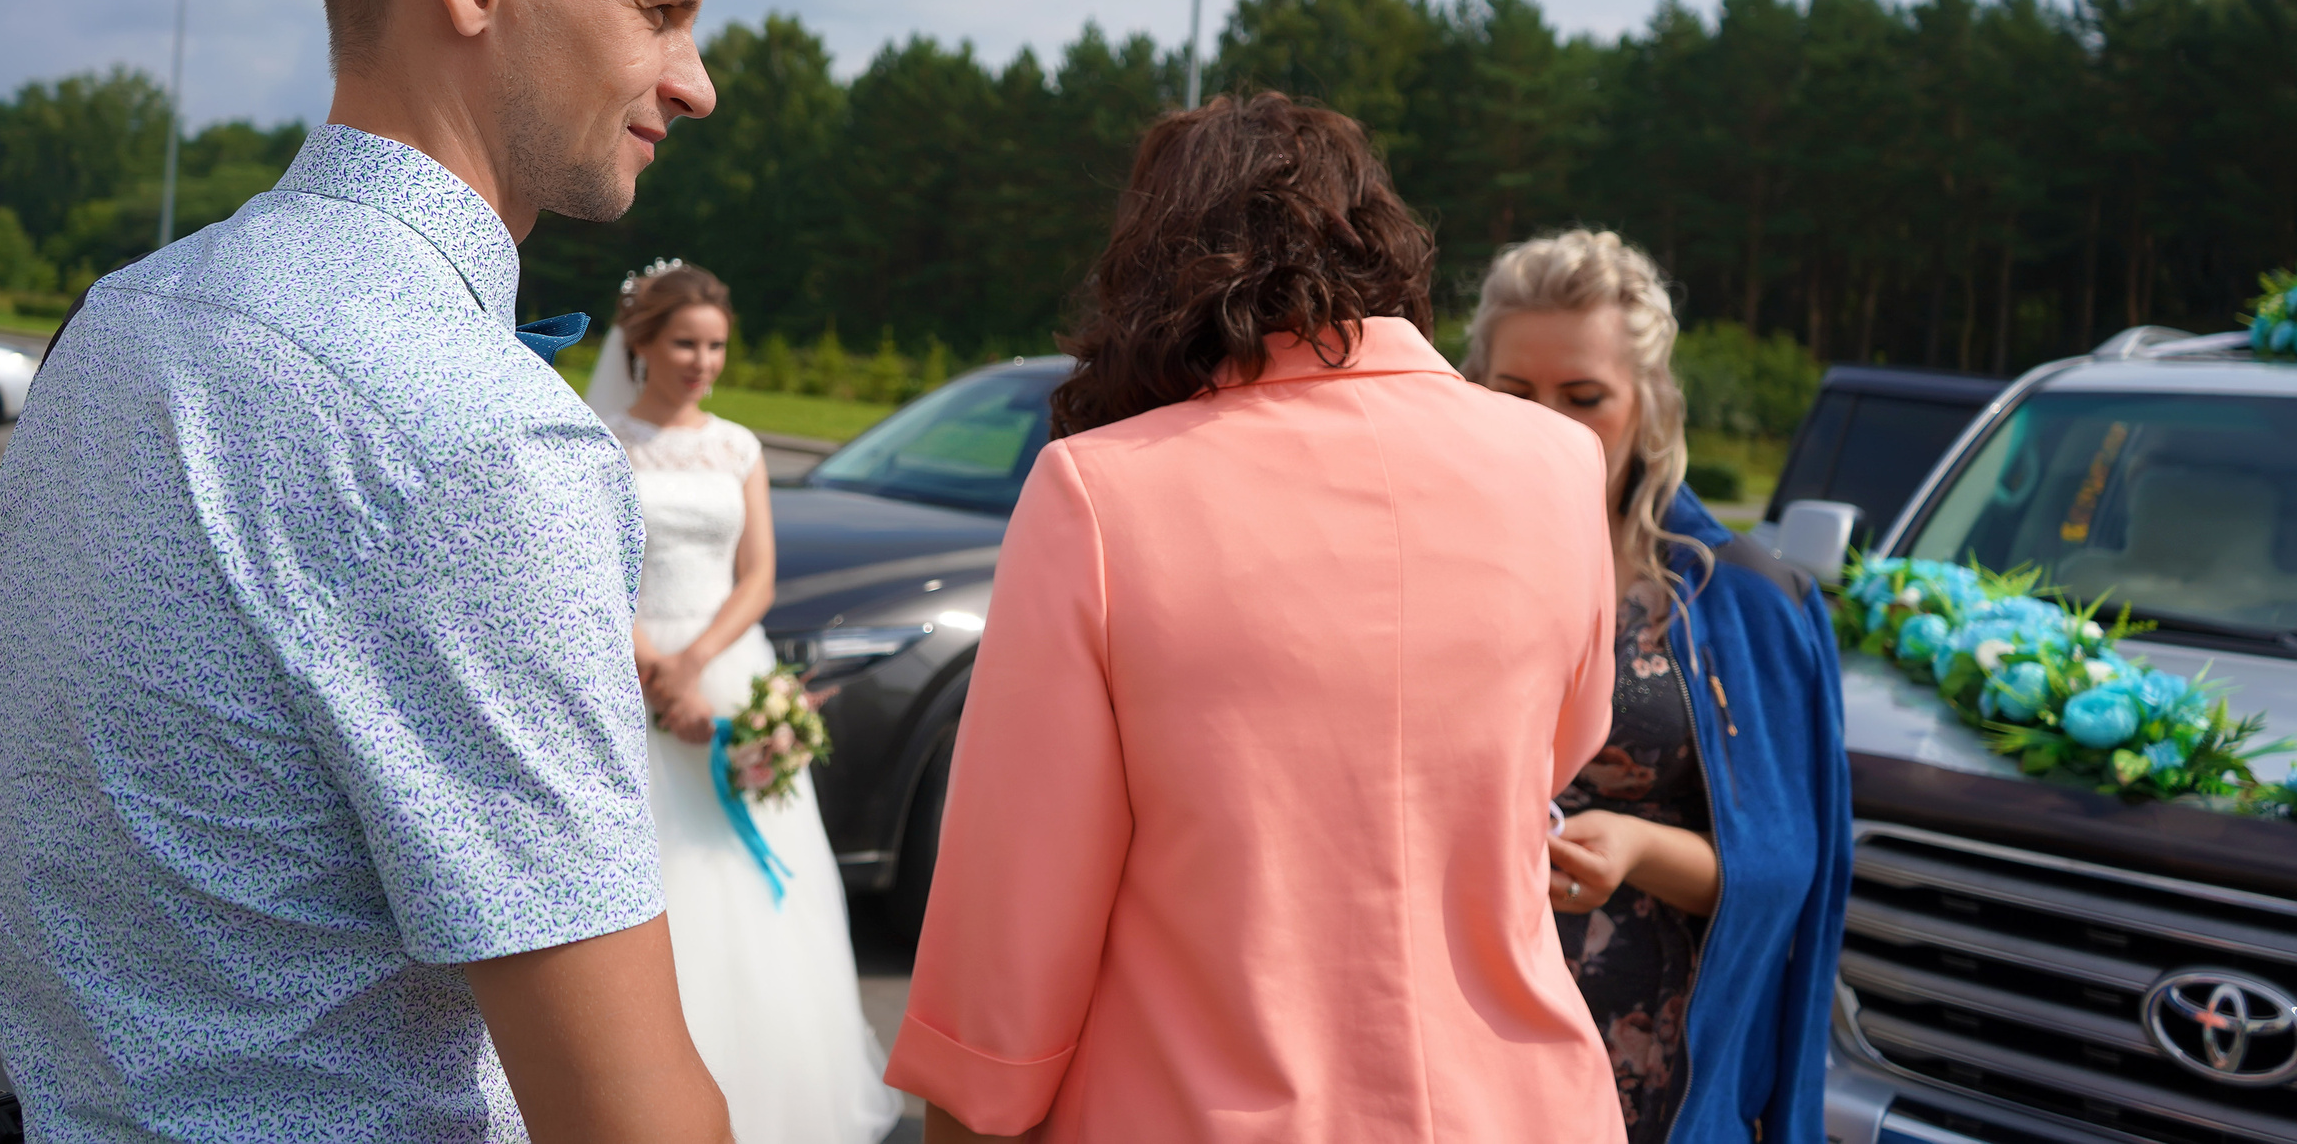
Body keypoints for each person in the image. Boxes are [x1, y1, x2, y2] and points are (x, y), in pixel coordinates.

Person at [0, 0, 740, 1142]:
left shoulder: (119, 318)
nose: (696, 78)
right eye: (661, 9)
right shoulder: (477, 438)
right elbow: (626, 1116)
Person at [889, 92, 1627, 1144]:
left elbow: (1015, 901)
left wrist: (971, 1105)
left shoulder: (1097, 495)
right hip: (1523, 1109)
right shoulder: (1558, 464)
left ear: (1152, 270)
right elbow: (1556, 750)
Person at [1465, 231, 1849, 1144]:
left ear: (1651, 406)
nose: (1547, 423)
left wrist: (1639, 847)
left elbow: (1790, 864)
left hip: (1650, 1070)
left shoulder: (1739, 601)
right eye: (1515, 393)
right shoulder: (1424, 570)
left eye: (1584, 397)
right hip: (1452, 1040)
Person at [580, 260, 903, 1144]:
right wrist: (658, 671)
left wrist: (699, 663)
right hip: (632, 671)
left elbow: (756, 577)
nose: (702, 361)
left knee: (763, 890)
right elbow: (590, 575)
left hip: (727, 667)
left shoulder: (739, 447)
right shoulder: (597, 442)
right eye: (685, 341)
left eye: (716, 345)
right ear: (640, 341)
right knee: (657, 883)